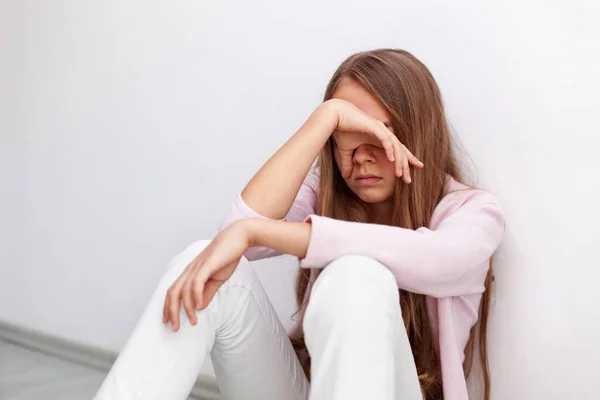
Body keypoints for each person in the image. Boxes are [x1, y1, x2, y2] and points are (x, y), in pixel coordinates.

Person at [94, 49, 506, 400]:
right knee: (206, 264)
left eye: (377, 132)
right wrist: (322, 120)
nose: (359, 155)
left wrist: (255, 233)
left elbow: (434, 259)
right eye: (346, 134)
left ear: (416, 132)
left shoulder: (474, 212)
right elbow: (238, 231)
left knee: (356, 271)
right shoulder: (326, 194)